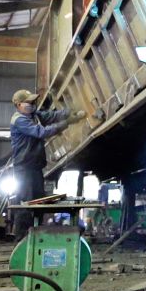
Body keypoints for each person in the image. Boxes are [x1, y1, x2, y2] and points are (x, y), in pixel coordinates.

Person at [10, 89, 85, 241]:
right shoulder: (19, 120)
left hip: (35, 167)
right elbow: (42, 132)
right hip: (24, 168)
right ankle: (22, 239)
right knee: (26, 203)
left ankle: (35, 235)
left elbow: (51, 116)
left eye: (33, 102)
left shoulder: (34, 115)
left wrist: (69, 111)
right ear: (18, 105)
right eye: (29, 102)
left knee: (38, 201)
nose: (33, 104)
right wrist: (67, 122)